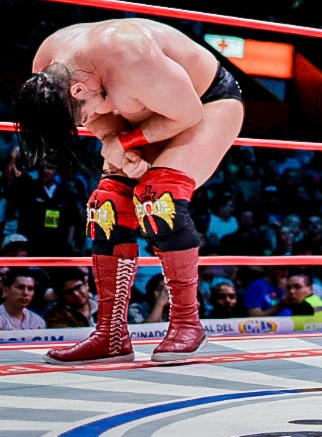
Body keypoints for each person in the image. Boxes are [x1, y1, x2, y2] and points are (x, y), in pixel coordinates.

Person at [16, 19, 245, 364]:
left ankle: (187, 324)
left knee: (160, 199)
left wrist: (126, 142)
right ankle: (111, 334)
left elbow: (186, 114)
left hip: (204, 104)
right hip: (139, 114)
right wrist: (114, 142)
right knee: (106, 207)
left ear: (77, 90)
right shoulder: (49, 66)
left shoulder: (132, 55)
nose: (83, 124)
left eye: (79, 120)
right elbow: (95, 116)